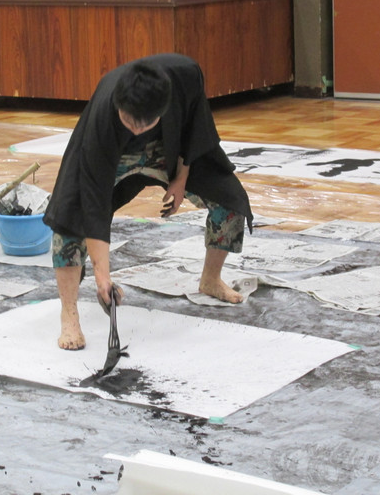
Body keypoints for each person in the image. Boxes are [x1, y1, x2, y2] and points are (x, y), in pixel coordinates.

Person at [43, 53, 253, 350]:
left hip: (166, 147)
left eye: (143, 124)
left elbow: (196, 127)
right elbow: (94, 199)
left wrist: (181, 177)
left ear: (163, 109)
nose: (135, 130)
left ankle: (210, 279)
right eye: (129, 122)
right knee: (69, 218)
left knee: (229, 199)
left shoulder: (186, 74)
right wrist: (102, 276)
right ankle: (69, 314)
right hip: (113, 152)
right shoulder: (104, 114)